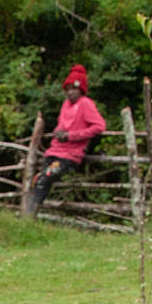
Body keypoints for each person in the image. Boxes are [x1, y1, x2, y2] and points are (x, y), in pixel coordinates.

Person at [28, 64, 107, 212]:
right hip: (55, 150)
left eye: (74, 89)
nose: (70, 93)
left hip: (70, 154)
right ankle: (31, 213)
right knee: (39, 180)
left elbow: (99, 126)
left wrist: (71, 136)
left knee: (45, 177)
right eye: (68, 89)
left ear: (81, 89)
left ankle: (29, 213)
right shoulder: (66, 105)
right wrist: (58, 132)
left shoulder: (86, 104)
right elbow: (61, 124)